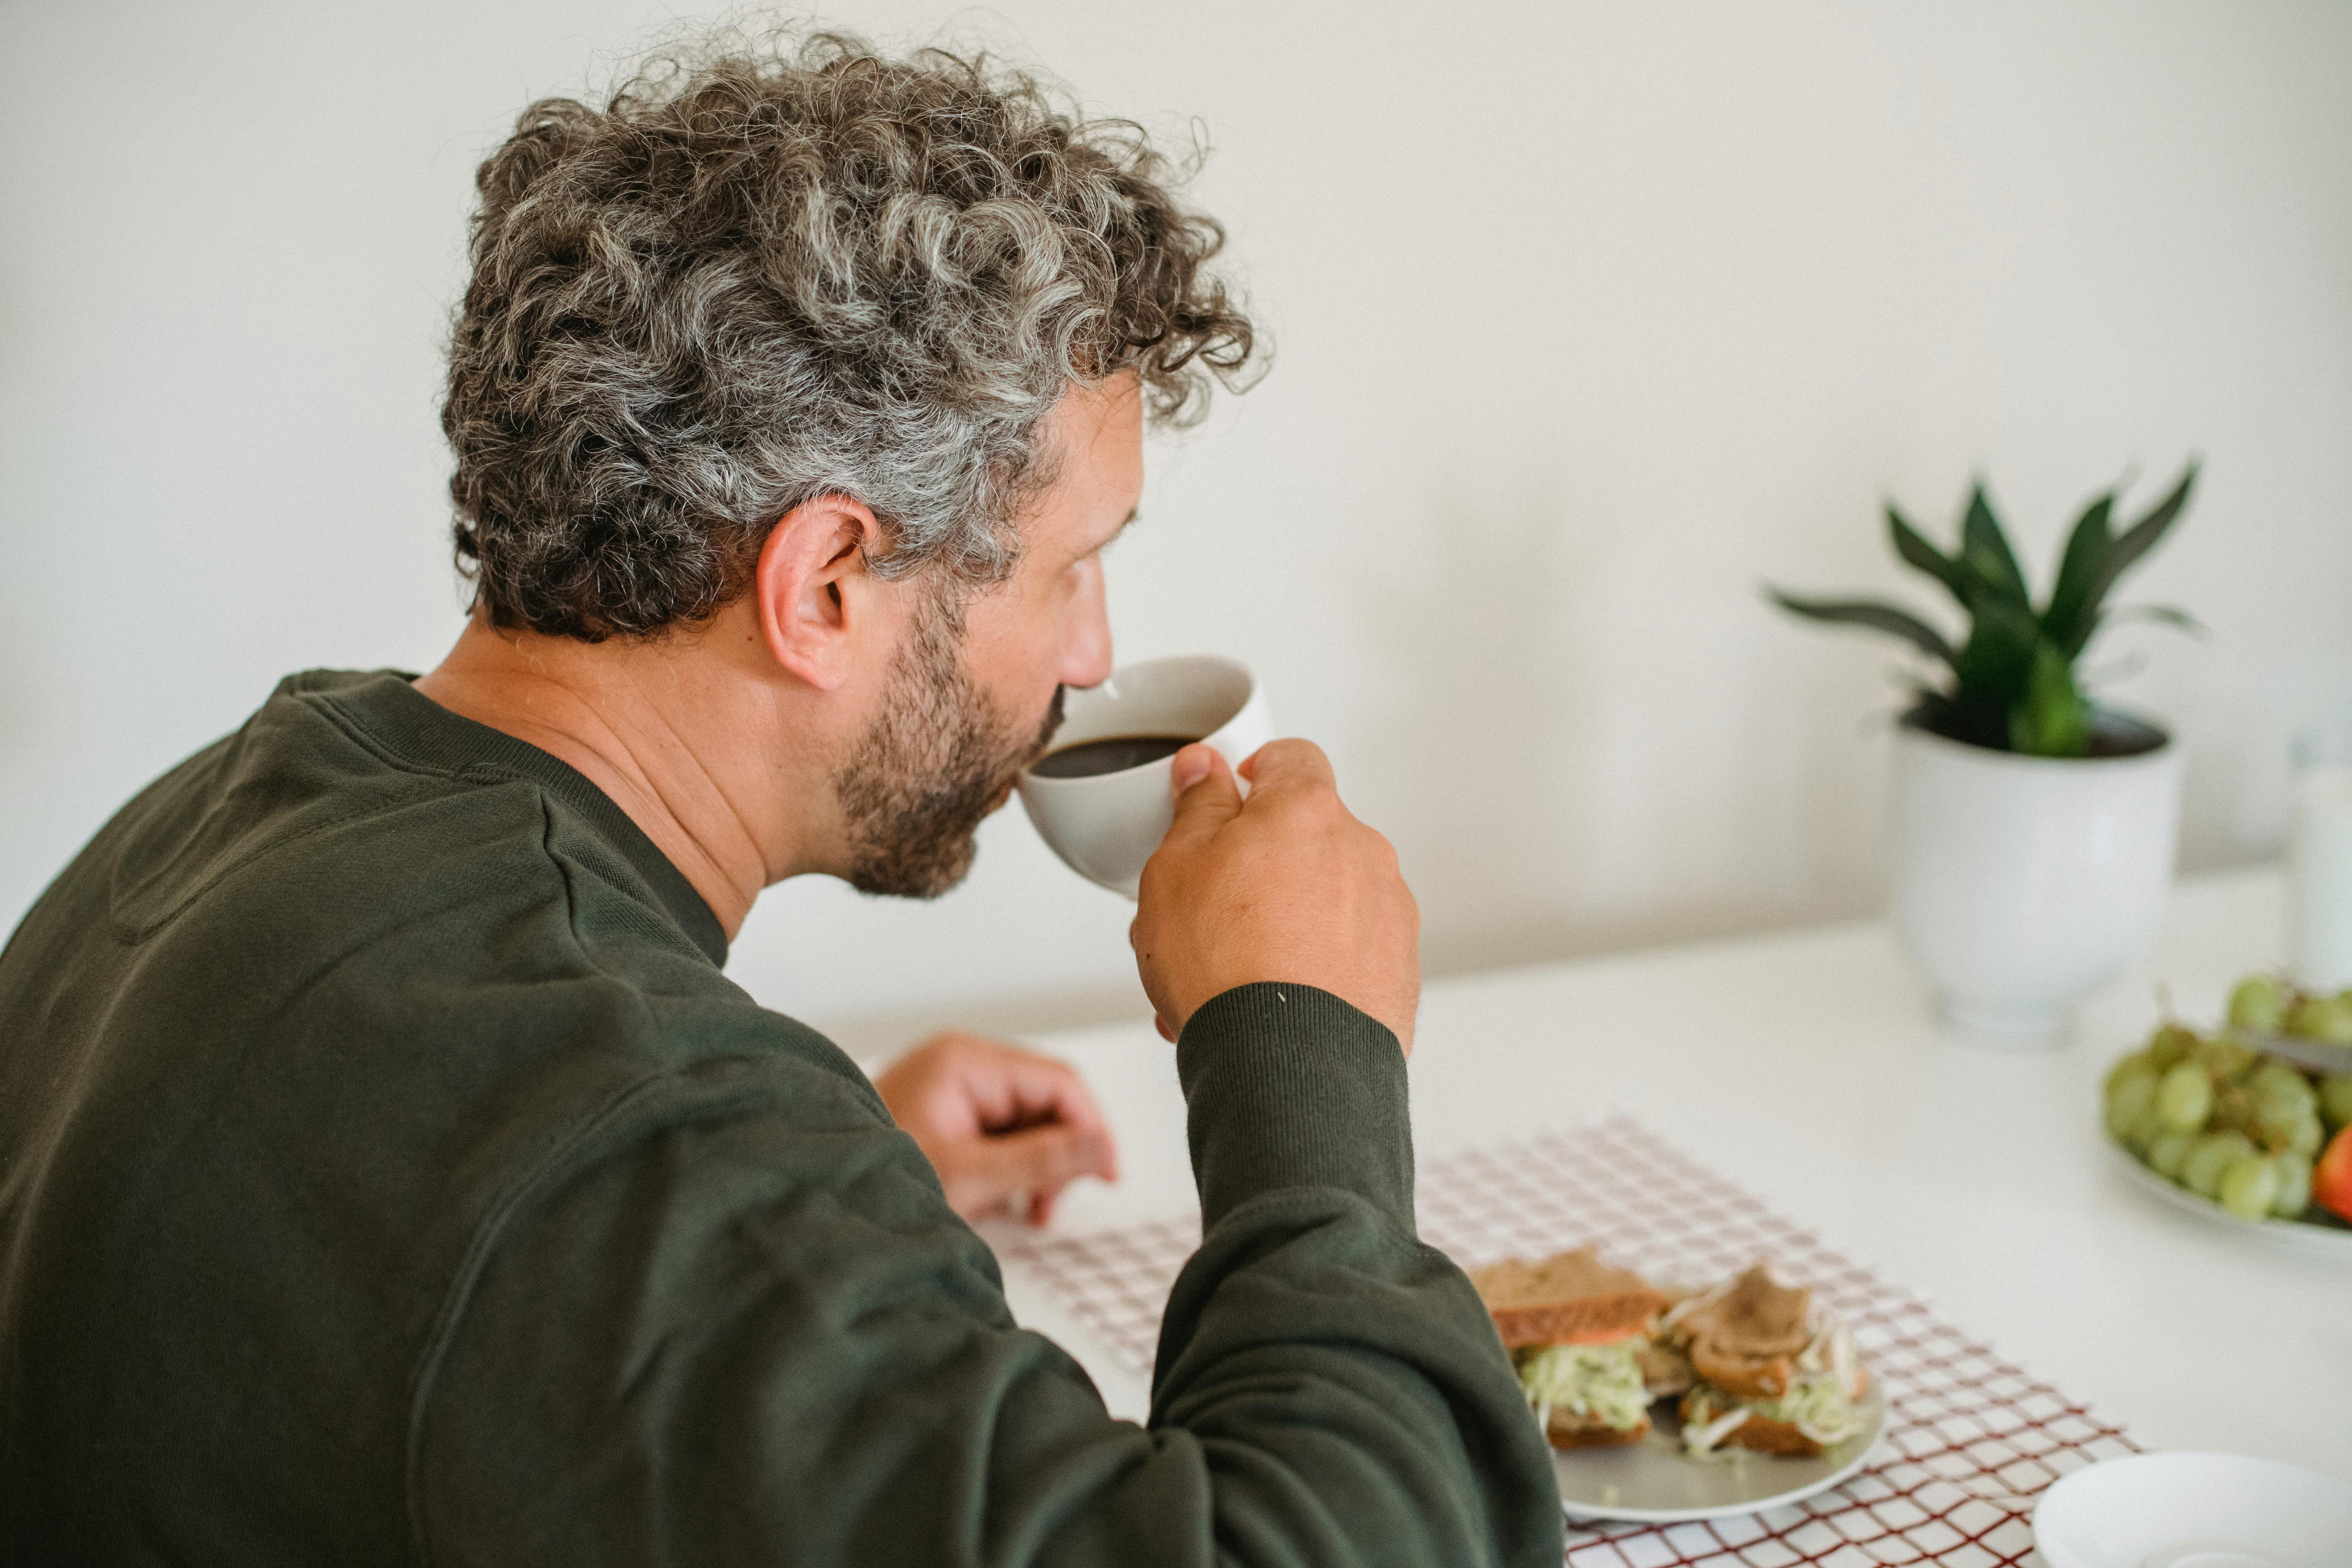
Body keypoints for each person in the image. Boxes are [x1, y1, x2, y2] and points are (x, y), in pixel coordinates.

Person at [0, 32, 1562, 1565]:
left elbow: (421, 1279)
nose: (1095, 652)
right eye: (1076, 564)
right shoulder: (629, 1137)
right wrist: (1303, 1037)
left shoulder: (240, 809)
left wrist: (806, 1240)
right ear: (820, 581)